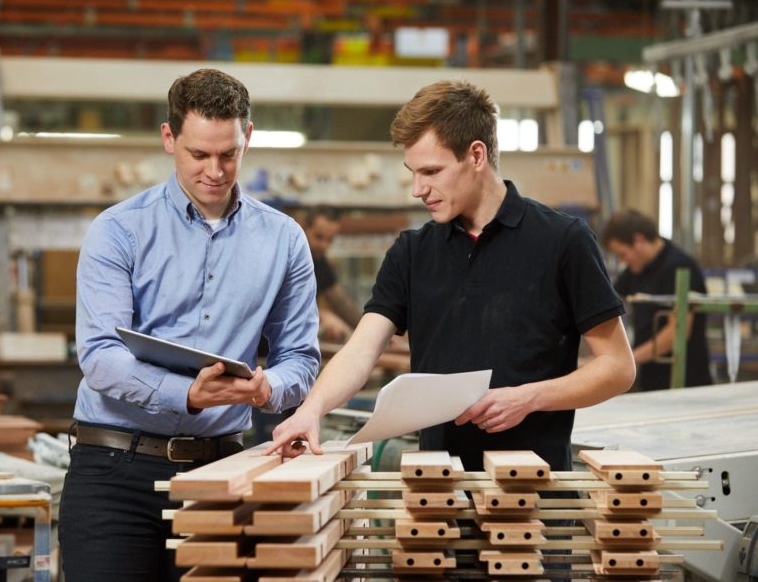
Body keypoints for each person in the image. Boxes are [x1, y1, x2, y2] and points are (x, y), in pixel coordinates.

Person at [266, 79, 635, 474]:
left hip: (534, 495)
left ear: (476, 155)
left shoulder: (562, 241)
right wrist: (312, 409)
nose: (417, 189)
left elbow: (617, 367)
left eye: (431, 171)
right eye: (413, 172)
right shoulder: (412, 252)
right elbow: (361, 350)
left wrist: (529, 398)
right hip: (438, 491)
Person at [60, 68, 321, 582]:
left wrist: (271, 387)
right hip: (114, 473)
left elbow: (302, 358)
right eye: (198, 155)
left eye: (229, 154)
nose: (215, 171)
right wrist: (187, 395)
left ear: (248, 137)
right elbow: (99, 356)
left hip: (221, 473)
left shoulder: (284, 240)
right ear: (168, 138)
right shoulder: (118, 231)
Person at [602, 208, 712, 391]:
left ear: (638, 240)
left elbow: (676, 333)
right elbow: (605, 301)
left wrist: (626, 360)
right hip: (652, 380)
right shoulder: (636, 269)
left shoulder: (680, 267)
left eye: (622, 254)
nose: (622, 261)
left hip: (685, 383)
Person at [302, 206, 363, 342]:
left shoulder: (317, 260)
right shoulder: (287, 257)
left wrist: (370, 330)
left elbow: (341, 302)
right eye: (319, 237)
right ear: (305, 228)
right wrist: (323, 317)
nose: (324, 245)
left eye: (329, 240)